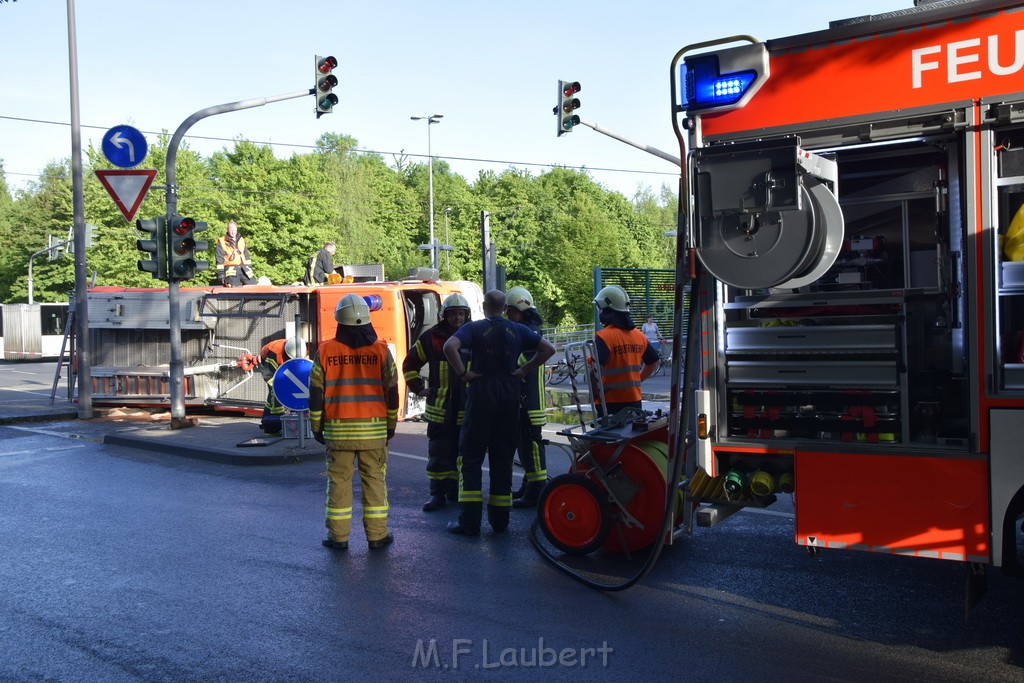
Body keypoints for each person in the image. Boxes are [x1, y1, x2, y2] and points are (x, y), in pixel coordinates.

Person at [442, 290, 555, 535]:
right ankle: (500, 520)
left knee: (470, 457)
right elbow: (548, 349)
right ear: (504, 308)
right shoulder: (519, 330)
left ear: (484, 306)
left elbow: (449, 346)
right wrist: (523, 370)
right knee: (502, 457)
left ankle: (469, 520)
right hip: (509, 396)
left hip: (482, 393)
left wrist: (463, 373)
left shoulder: (475, 329)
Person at [309, 293, 399, 551]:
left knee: (338, 483)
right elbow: (391, 391)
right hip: (374, 431)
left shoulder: (326, 351)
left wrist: (317, 427)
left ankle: (338, 538)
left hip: (338, 433)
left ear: (339, 321)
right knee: (375, 482)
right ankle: (377, 536)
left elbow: (316, 393)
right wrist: (390, 424)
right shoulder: (381, 350)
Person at [403, 293, 471, 512]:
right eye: (454, 314)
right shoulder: (432, 338)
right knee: (438, 453)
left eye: (461, 314)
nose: (458, 318)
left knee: (462, 453)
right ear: (445, 316)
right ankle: (437, 494)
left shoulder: (474, 335)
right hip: (439, 409)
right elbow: (410, 364)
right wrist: (418, 389)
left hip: (465, 407)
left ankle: (456, 491)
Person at [504, 286, 548, 508]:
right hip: (526, 400)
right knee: (525, 445)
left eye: (511, 311)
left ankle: (536, 491)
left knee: (531, 446)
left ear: (520, 311)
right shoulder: (528, 330)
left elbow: (520, 363)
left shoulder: (530, 333)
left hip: (530, 402)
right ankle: (528, 484)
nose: (509, 316)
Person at [592, 285, 660, 420]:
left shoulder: (604, 337)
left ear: (606, 309)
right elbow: (654, 362)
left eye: (599, 308)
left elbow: (594, 370)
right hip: (634, 400)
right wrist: (637, 381)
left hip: (609, 403)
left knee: (609, 439)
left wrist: (595, 394)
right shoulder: (638, 335)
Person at [258, 335, 306, 436]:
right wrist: (279, 414)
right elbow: (272, 378)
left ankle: (267, 420)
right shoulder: (274, 353)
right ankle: (274, 424)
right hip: (267, 363)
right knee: (274, 391)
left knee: (284, 391)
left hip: (280, 364)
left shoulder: (301, 350)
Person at [215, 220, 256, 287]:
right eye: (231, 230)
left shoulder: (241, 240)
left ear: (237, 229)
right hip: (230, 268)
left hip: (243, 267)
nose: (233, 231)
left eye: (234, 229)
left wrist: (249, 267)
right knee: (233, 285)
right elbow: (219, 258)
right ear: (227, 230)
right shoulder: (222, 242)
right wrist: (220, 273)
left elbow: (246, 256)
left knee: (253, 284)